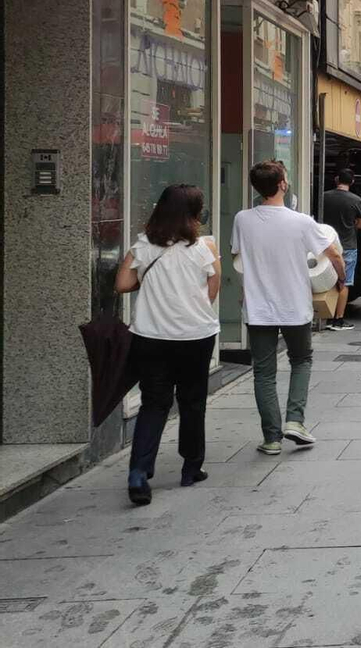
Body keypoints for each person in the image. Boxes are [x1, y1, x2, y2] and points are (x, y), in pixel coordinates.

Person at [114, 184, 222, 505]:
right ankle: (191, 467)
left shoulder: (143, 245)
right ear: (195, 213)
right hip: (195, 335)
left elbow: (122, 284)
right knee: (192, 401)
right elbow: (212, 290)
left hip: (150, 336)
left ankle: (138, 472)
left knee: (154, 403)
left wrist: (150, 282)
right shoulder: (205, 247)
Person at [234, 161, 345, 456]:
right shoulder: (302, 222)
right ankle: (295, 420)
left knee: (263, 372)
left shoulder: (242, 219)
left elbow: (238, 259)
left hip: (258, 307)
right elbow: (333, 254)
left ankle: (271, 438)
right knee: (301, 360)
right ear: (282, 184)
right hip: (294, 305)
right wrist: (342, 279)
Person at [318, 169, 361, 332]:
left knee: (325, 279)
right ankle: (338, 319)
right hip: (348, 246)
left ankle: (323, 315)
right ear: (352, 182)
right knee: (344, 282)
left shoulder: (324, 196)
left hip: (326, 245)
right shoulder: (356, 200)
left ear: (337, 179)